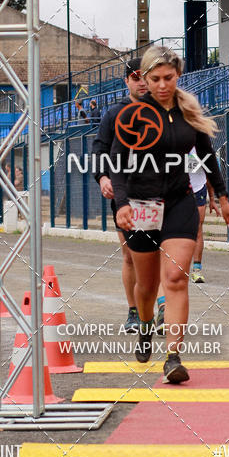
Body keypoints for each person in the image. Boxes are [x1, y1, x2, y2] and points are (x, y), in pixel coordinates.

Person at [112, 45, 229, 383]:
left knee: (176, 279)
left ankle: (173, 356)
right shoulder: (132, 116)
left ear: (177, 76)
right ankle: (144, 325)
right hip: (142, 205)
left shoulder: (188, 111)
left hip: (180, 202)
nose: (163, 84)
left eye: (169, 77)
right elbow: (117, 166)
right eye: (155, 79)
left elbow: (208, 157)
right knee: (147, 285)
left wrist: (223, 198)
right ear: (145, 79)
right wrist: (123, 204)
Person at [92, 59, 149, 333]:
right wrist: (103, 177)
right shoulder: (114, 114)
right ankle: (133, 311)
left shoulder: (163, 111)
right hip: (124, 192)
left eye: (146, 76)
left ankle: (159, 309)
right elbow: (100, 148)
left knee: (157, 254)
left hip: (158, 191)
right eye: (136, 76)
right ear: (126, 81)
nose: (142, 81)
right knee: (130, 255)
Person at [187, 147, 220, 283]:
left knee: (197, 229)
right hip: (176, 191)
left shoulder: (200, 146)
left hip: (198, 190)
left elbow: (209, 175)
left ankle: (197, 269)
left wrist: (212, 199)